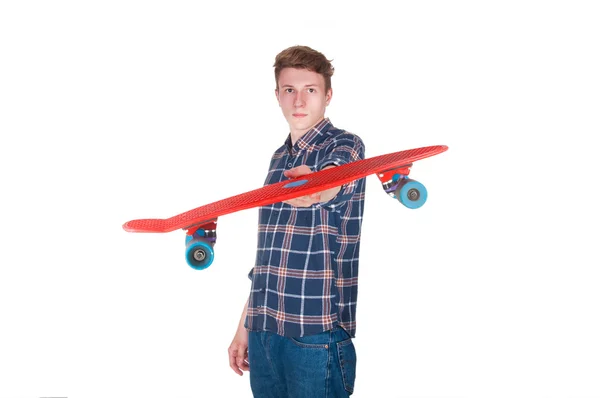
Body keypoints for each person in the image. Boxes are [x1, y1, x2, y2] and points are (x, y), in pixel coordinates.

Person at [228, 45, 366, 397]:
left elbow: (336, 181)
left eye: (310, 90)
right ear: (277, 96)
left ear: (328, 96)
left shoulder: (345, 146)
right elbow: (269, 256)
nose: (299, 101)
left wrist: (316, 188)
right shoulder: (278, 158)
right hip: (263, 331)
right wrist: (245, 326)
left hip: (313, 333)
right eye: (290, 90)